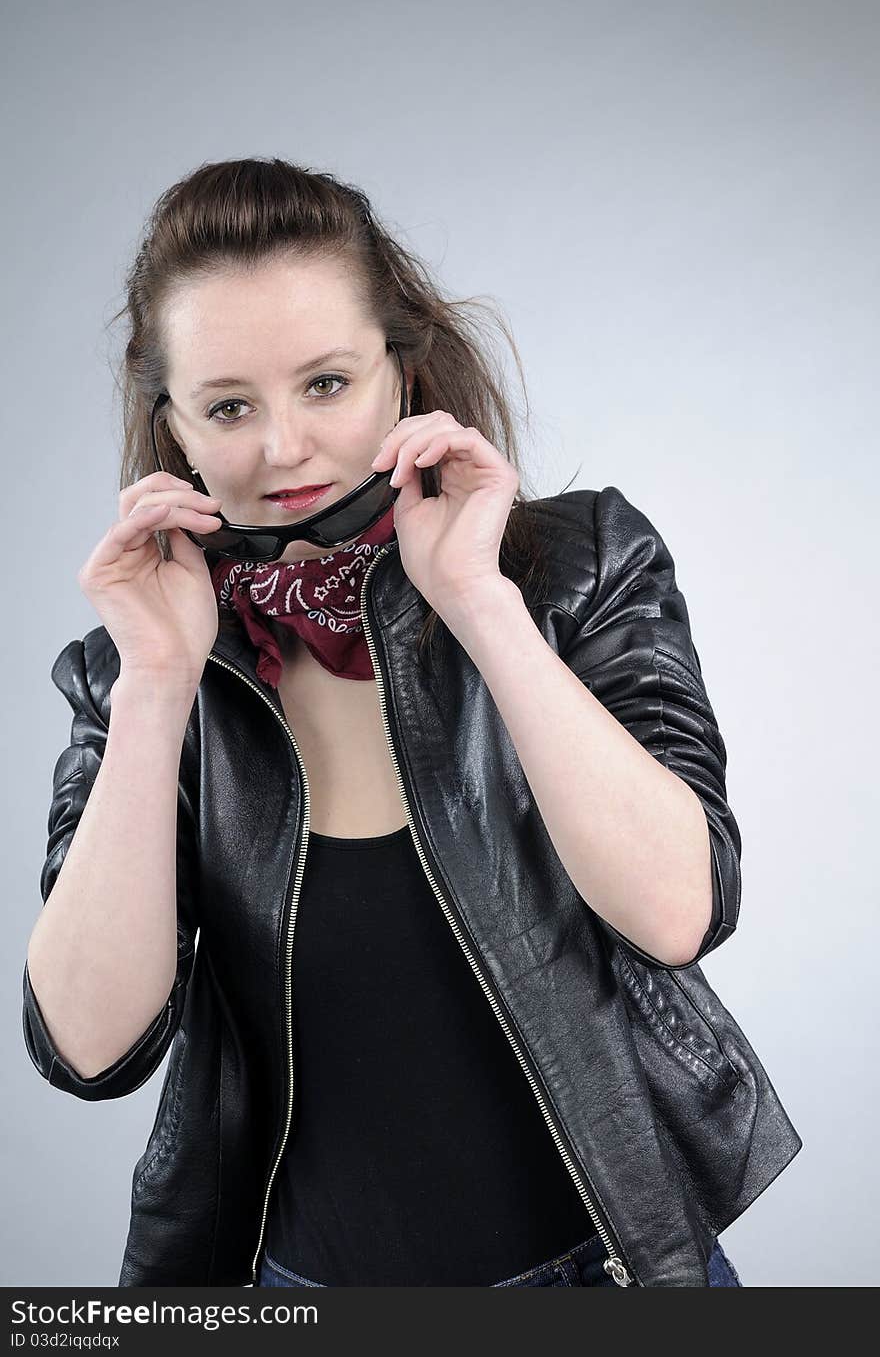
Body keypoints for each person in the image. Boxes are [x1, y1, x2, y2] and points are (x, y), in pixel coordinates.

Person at [22, 158, 801, 1288]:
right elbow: (89, 1048)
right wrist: (153, 687)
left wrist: (480, 604)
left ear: (401, 370)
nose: (282, 447)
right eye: (230, 406)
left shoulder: (574, 568)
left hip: (610, 1274)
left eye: (326, 384)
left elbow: (678, 911)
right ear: (176, 429)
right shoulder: (134, 674)